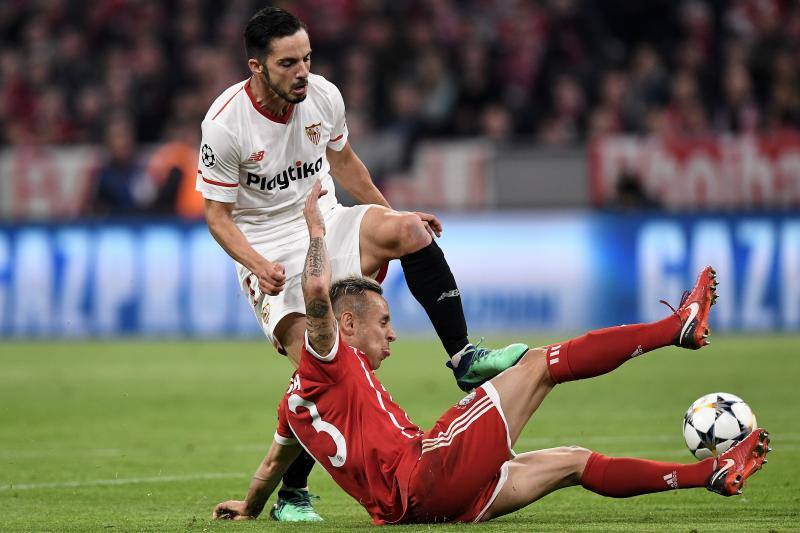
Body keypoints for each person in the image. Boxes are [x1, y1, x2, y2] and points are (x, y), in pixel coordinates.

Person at [212, 182, 770, 525]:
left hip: (415, 511)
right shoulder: (328, 354)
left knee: (572, 462)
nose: (394, 335)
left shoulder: (294, 404)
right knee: (539, 365)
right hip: (429, 469)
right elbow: (316, 296)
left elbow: (270, 466)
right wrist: (315, 230)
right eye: (384, 322)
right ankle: (678, 326)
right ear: (347, 324)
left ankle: (711, 475)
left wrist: (250, 507)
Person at [196, 6, 525, 521]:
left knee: (411, 232)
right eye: (287, 63)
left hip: (324, 217)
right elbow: (216, 216)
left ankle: (464, 358)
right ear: (256, 67)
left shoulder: (323, 96)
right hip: (267, 244)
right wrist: (257, 264)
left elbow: (345, 163)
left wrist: (392, 214)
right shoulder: (224, 125)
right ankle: (293, 493)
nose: (302, 71)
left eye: (306, 58)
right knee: (329, 364)